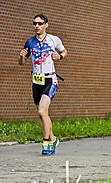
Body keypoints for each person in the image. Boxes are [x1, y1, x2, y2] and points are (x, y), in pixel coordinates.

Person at [19, 14, 67, 155]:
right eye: (35, 23)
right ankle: (53, 138)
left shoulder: (54, 40)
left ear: (46, 24)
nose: (37, 26)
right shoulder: (29, 42)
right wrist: (21, 57)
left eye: (40, 23)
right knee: (42, 114)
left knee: (41, 110)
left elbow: (64, 51)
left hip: (50, 80)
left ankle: (46, 142)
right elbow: (22, 63)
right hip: (36, 81)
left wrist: (60, 56)